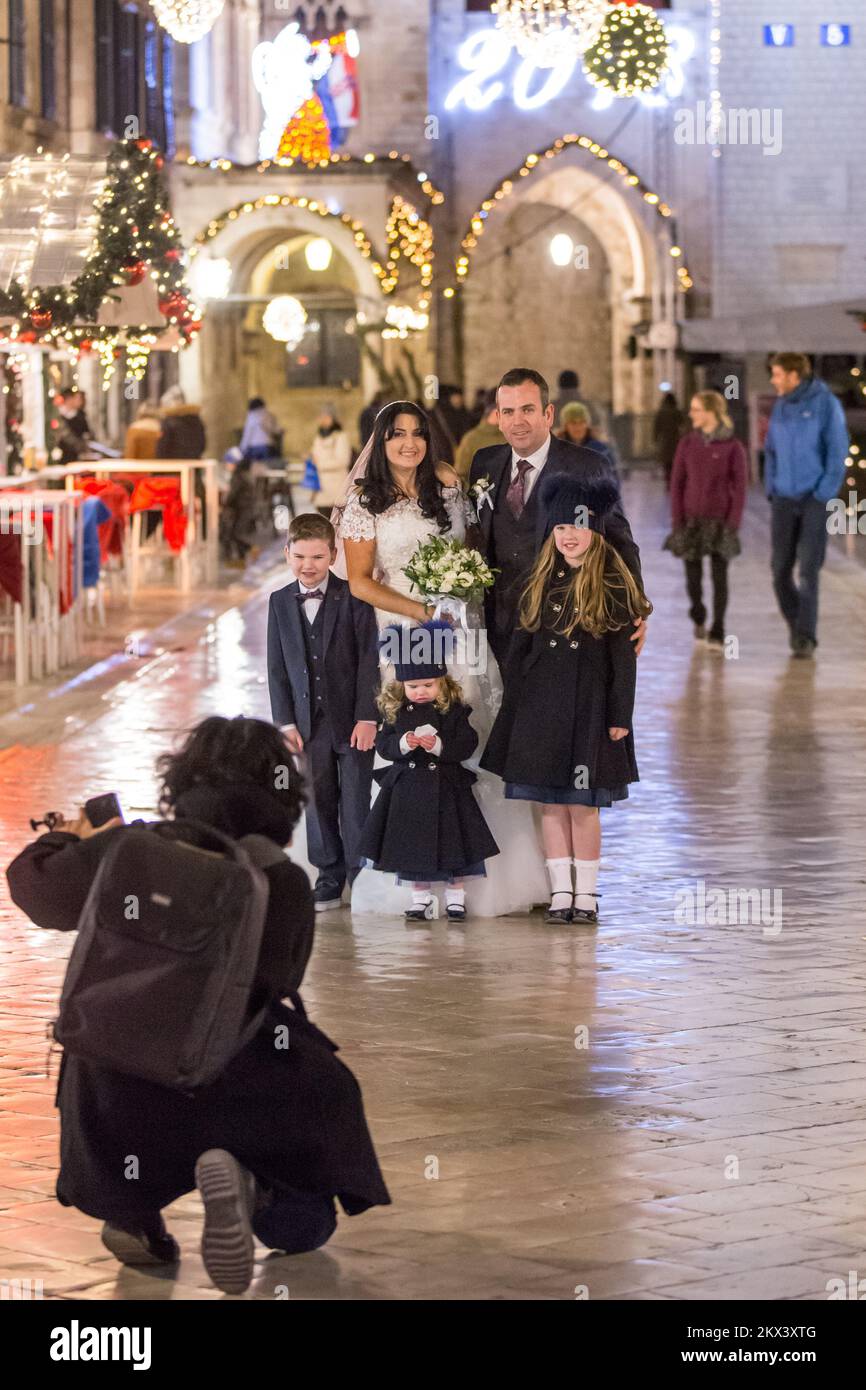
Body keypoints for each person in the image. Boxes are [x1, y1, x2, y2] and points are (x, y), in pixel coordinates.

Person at [5, 716, 390, 1296]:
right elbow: (278, 978)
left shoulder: (127, 850)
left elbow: (33, 888)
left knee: (102, 1081)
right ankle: (262, 1192)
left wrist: (74, 839)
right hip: (239, 1070)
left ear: (181, 780)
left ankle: (134, 1216)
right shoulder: (280, 879)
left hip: (122, 1081)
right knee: (305, 1222)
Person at [333, 399, 549, 916]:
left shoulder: (449, 484)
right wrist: (423, 609)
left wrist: (462, 591)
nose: (409, 443)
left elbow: (473, 549)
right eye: (397, 434)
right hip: (409, 632)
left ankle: (494, 880)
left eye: (418, 433)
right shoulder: (365, 501)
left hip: (463, 627)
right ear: (380, 442)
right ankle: (414, 880)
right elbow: (360, 583)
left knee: (471, 733)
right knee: (416, 740)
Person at [482, 472, 652, 925]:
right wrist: (513, 705)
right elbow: (520, 650)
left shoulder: (613, 586)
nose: (568, 536)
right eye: (560, 528)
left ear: (595, 530)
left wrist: (620, 716)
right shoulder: (540, 583)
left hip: (591, 710)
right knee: (550, 805)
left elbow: (624, 660)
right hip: (540, 711)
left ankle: (588, 893)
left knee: (583, 806)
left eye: (577, 527)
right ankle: (561, 893)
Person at [469, 368, 645, 670]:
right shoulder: (484, 463)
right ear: (498, 418)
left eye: (528, 410)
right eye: (508, 412)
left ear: (548, 414)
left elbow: (619, 538)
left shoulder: (586, 465)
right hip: (496, 627)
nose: (518, 421)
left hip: (562, 628)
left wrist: (636, 607)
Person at [268, 513, 379, 911]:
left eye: (317, 556)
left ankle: (360, 874)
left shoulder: (354, 597)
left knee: (355, 801)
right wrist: (284, 721)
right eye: (299, 556)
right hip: (306, 722)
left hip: (351, 721)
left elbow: (370, 659)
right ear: (286, 554)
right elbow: (276, 666)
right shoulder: (279, 602)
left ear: (333, 555)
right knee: (317, 799)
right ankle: (328, 875)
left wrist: (369, 715)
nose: (308, 565)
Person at [359, 620, 499, 922]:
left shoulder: (454, 710)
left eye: (428, 685)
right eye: (413, 687)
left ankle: (456, 899)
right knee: (412, 847)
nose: (420, 692)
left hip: (447, 788)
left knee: (454, 844)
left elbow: (467, 743)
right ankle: (420, 898)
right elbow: (383, 745)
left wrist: (438, 746)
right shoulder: (395, 712)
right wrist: (404, 743)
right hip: (408, 790)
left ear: (441, 682)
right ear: (401, 686)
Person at [765, 352, 849, 658]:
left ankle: (806, 637)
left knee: (808, 570)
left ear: (793, 375)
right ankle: (799, 624)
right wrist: (772, 487)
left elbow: (837, 452)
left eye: (776, 374)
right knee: (779, 571)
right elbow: (771, 450)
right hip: (784, 499)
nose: (773, 380)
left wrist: (823, 493)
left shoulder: (825, 404)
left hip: (815, 499)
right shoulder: (781, 405)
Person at [663, 391, 748, 651]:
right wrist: (677, 519)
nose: (691, 414)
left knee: (720, 577)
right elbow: (677, 483)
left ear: (712, 412)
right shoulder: (687, 443)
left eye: (696, 409)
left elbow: (741, 486)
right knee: (693, 577)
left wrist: (733, 523)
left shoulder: (733, 447)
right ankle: (698, 615)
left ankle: (718, 629)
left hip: (720, 522)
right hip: (691, 520)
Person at [557, 401, 621, 482]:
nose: (578, 427)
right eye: (573, 423)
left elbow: (613, 478)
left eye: (582, 422)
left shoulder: (601, 450)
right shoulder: (556, 451)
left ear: (587, 424)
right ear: (565, 426)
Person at [454, 390, 504, 484]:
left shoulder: (512, 435)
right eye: (508, 410)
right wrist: (476, 493)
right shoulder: (471, 439)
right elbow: (460, 476)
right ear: (496, 411)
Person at [310, 405, 352, 516]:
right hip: (321, 488)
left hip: (335, 486)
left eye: (326, 417)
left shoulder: (340, 436)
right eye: (322, 416)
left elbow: (343, 461)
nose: (323, 419)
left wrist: (319, 464)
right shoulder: (319, 436)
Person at [553, 369, 610, 442]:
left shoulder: (552, 407)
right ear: (577, 384)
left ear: (559, 385)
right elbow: (600, 430)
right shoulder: (589, 406)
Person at [156, 386, 206, 459]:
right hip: (193, 464)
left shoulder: (168, 422)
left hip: (172, 466)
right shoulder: (196, 420)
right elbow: (202, 445)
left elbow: (162, 448)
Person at [653, 392, 686, 487]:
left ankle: (668, 482)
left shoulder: (661, 412)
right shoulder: (676, 411)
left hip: (665, 441)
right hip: (675, 440)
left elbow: (656, 428)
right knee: (674, 463)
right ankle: (674, 482)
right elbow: (682, 424)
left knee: (666, 464)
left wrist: (655, 439)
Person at [240, 396, 280, 461]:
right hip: (268, 446)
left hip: (254, 447)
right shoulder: (269, 415)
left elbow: (247, 434)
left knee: (255, 467)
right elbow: (276, 430)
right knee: (268, 467)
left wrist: (242, 449)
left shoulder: (252, 415)